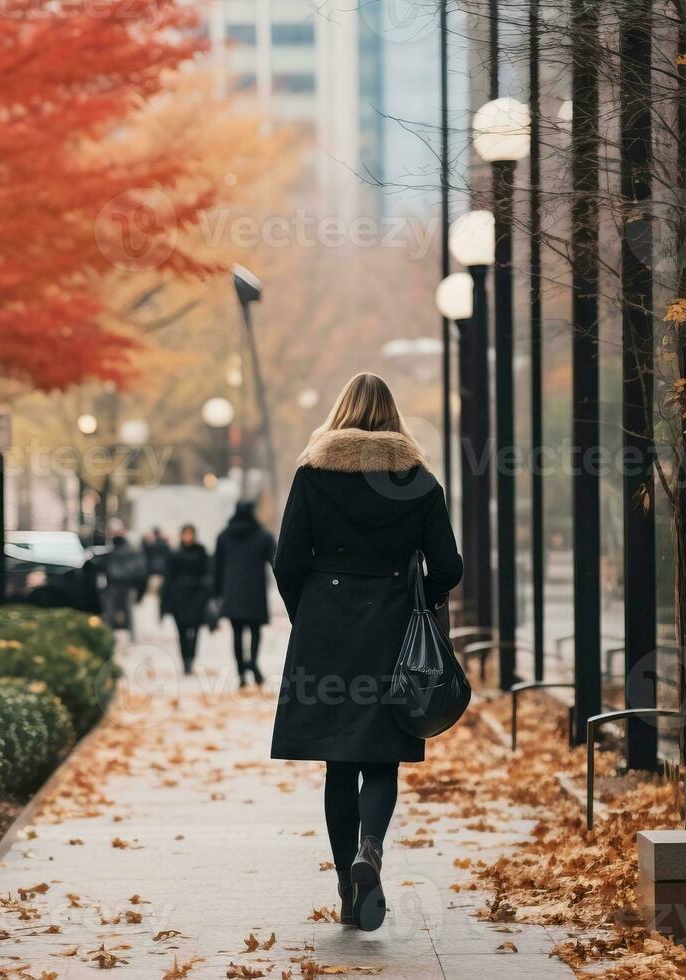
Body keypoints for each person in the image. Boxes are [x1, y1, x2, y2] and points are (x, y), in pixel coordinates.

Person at [270, 373, 462, 933]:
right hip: (392, 627)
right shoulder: (419, 482)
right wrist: (419, 596)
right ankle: (371, 852)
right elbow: (448, 565)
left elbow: (287, 561)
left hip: (325, 629)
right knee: (382, 754)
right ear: (393, 417)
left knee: (339, 761)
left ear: (341, 412)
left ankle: (347, 893)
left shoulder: (313, 475)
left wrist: (304, 614)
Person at [213, 500, 275, 687]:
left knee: (237, 633)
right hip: (255, 591)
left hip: (232, 591)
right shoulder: (263, 536)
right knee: (255, 632)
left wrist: (217, 593)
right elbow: (276, 561)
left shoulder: (224, 536)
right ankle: (253, 664)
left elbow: (216, 567)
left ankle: (241, 674)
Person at [161, 524, 211, 674]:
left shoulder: (201, 552)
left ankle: (191, 658)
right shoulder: (175, 554)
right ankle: (185, 662)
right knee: (182, 632)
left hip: (196, 599)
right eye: (185, 534)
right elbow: (168, 579)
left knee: (195, 632)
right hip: (180, 600)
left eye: (190, 534)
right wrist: (166, 604)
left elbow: (207, 573)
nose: (188, 537)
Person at [99, 526, 147, 634]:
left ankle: (111, 636)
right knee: (116, 613)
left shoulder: (118, 551)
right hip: (120, 585)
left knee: (115, 613)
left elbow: (138, 570)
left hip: (121, 586)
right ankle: (123, 636)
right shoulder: (127, 550)